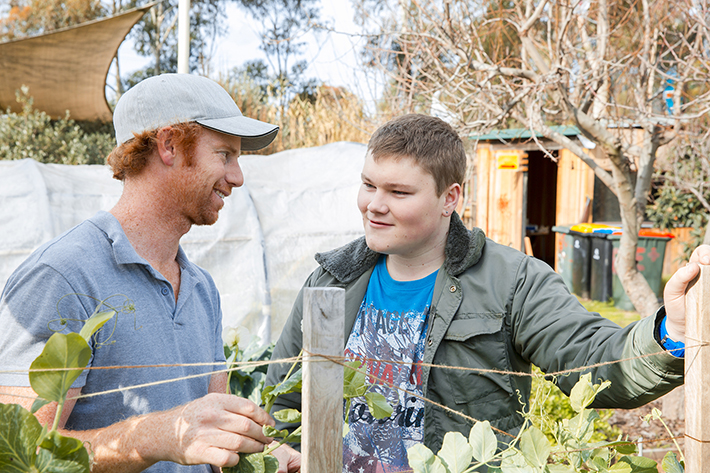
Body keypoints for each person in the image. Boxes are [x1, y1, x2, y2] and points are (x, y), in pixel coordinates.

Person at [264, 113, 706, 473]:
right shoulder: (331, 280)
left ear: (449, 198)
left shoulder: (512, 281)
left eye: (398, 192)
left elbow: (593, 362)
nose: (374, 205)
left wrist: (670, 332)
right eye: (369, 185)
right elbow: (283, 398)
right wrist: (280, 448)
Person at [0, 74, 300, 473]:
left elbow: (212, 436)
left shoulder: (200, 288)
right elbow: (18, 454)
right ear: (170, 145)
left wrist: (263, 456)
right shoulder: (64, 275)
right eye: (225, 154)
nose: (237, 176)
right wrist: (157, 436)